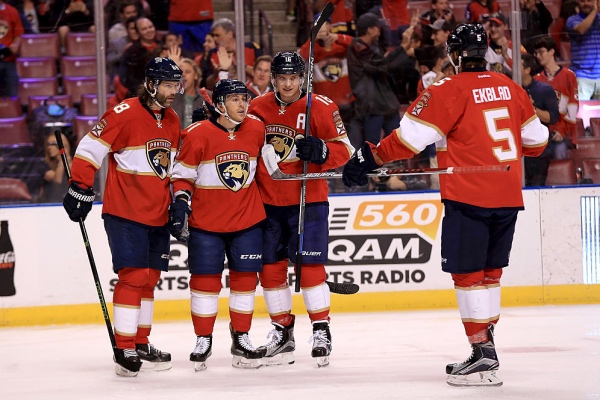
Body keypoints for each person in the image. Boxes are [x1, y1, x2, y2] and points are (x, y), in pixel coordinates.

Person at [341, 24, 549, 386]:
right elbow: (537, 141)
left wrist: (370, 157)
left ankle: (482, 352)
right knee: (490, 274)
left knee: (468, 275)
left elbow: (409, 140)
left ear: (454, 55)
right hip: (507, 195)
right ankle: (487, 345)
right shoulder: (510, 87)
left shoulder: (448, 88)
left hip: (469, 195)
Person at [62, 57, 183, 377]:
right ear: (152, 85)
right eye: (168, 85)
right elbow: (89, 147)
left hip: (157, 213)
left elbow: (170, 168)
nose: (173, 91)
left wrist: (177, 203)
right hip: (125, 212)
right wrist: (80, 186)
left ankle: (140, 342)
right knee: (133, 276)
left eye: (176, 85)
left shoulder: (172, 119)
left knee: (150, 279)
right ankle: (125, 345)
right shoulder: (124, 112)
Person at [248, 51, 353, 367]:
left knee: (310, 268)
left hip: (309, 201)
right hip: (267, 202)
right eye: (282, 78)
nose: (288, 84)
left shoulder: (320, 106)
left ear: (302, 78)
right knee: (270, 269)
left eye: (293, 78)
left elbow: (345, 150)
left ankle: (321, 330)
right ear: (273, 79)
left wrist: (322, 150)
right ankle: (282, 332)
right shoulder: (256, 108)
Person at [169, 79, 267, 370]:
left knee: (245, 282)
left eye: (244, 99)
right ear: (220, 104)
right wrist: (181, 203)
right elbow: (182, 176)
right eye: (235, 99)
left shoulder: (257, 128)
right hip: (206, 224)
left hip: (247, 220)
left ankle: (242, 337)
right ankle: (203, 339)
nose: (242, 104)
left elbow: (272, 166)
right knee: (204, 283)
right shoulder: (197, 134)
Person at [347, 12, 401, 146]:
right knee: (372, 146)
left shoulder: (375, 45)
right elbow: (379, 68)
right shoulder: (357, 48)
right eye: (377, 27)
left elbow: (384, 66)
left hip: (385, 101)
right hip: (371, 105)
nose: (380, 29)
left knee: (397, 141)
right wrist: (402, 49)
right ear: (370, 30)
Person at [533, 35, 579, 158]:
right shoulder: (537, 79)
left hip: (565, 133)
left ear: (552, 51)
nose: (538, 56)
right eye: (536, 53)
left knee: (559, 152)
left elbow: (573, 107)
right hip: (544, 134)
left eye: (541, 52)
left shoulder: (569, 76)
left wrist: (562, 131)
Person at [521, 53, 560, 186]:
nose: (513, 69)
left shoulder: (544, 90)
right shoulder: (510, 89)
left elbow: (552, 118)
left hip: (538, 149)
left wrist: (532, 108)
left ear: (527, 69)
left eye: (518, 66)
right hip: (517, 149)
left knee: (536, 186)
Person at [205, 18, 263, 90]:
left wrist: (240, 65)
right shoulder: (212, 54)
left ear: (230, 34)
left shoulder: (252, 48)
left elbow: (264, 74)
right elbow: (207, 85)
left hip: (251, 93)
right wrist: (215, 73)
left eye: (217, 35)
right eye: (213, 36)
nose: (214, 39)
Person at [566, 0, 600, 100]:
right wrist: (595, 10)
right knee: (581, 109)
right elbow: (581, 30)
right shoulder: (572, 20)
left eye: (589, 0)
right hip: (581, 77)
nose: (586, 3)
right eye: (582, 1)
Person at [38, 131, 72, 203]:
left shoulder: (73, 163)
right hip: (50, 202)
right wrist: (62, 160)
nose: (49, 147)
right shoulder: (43, 165)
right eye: (48, 144)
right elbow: (57, 182)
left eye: (53, 144)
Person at [171, 57, 204, 129]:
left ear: (195, 75)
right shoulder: (171, 96)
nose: (183, 75)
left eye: (187, 72)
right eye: (180, 72)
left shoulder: (205, 96)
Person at [0, 0, 24, 98]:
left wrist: (16, 45)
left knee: (12, 96)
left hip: (9, 59)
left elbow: (18, 35)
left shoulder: (12, 11)